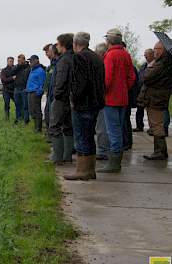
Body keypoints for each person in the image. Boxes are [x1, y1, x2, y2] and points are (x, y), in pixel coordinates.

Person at [64, 32, 105, 180]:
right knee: (89, 136)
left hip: (84, 104)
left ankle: (82, 170)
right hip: (95, 102)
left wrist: (73, 99)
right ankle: (90, 169)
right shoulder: (96, 57)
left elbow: (79, 83)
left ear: (75, 44)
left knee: (81, 137)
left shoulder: (79, 57)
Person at [98, 28, 136, 173]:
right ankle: (115, 162)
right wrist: (123, 88)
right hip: (123, 98)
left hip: (111, 99)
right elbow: (131, 76)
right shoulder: (126, 55)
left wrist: (103, 93)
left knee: (113, 131)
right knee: (118, 129)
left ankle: (114, 163)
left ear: (109, 41)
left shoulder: (110, 55)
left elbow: (106, 79)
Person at [137, 41, 172, 160]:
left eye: (156, 48)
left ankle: (160, 151)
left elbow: (146, 77)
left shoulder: (161, 64)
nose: (154, 51)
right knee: (156, 124)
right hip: (158, 97)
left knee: (157, 125)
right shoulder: (167, 63)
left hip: (156, 98)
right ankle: (159, 151)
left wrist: (150, 65)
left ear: (162, 49)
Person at [49, 33, 75, 165]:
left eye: (58, 44)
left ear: (63, 45)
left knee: (54, 127)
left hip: (61, 99)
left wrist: (56, 95)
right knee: (68, 127)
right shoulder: (74, 58)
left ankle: (57, 157)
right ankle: (67, 156)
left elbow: (61, 81)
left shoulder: (63, 60)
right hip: (71, 98)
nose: (57, 46)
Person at [94, 43, 111, 161]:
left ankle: (103, 150)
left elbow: (105, 81)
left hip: (105, 98)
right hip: (116, 98)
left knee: (102, 126)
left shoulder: (104, 63)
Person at [133, 49, 155, 132]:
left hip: (151, 91)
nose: (145, 56)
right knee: (140, 109)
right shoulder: (143, 65)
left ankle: (152, 128)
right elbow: (139, 77)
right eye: (144, 54)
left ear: (152, 55)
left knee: (151, 111)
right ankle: (139, 126)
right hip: (142, 91)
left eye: (147, 54)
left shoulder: (155, 65)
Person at [26, 55, 46, 132]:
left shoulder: (40, 71)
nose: (30, 62)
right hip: (30, 92)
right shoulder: (32, 70)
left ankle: (38, 128)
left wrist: (38, 93)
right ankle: (36, 126)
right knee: (32, 110)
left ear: (36, 61)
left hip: (35, 93)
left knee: (37, 110)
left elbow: (42, 83)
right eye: (30, 61)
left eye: (31, 61)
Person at [43, 44, 58, 138]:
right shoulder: (51, 65)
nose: (46, 54)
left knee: (53, 116)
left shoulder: (57, 63)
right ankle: (50, 135)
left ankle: (53, 138)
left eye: (47, 51)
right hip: (49, 93)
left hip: (55, 94)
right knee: (47, 114)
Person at [12, 54, 30, 124]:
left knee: (25, 105)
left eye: (20, 60)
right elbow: (12, 72)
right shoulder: (17, 67)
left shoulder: (28, 67)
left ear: (24, 60)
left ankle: (26, 120)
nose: (18, 61)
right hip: (17, 88)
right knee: (17, 104)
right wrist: (19, 66)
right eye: (18, 60)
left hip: (24, 88)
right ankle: (18, 118)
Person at [0, 57, 16, 121]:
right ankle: (7, 118)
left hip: (14, 90)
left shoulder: (15, 69)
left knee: (18, 103)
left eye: (12, 61)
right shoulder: (4, 70)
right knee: (7, 104)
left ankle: (19, 117)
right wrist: (12, 78)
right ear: (7, 62)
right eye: (10, 61)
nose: (11, 62)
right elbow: (4, 80)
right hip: (6, 90)